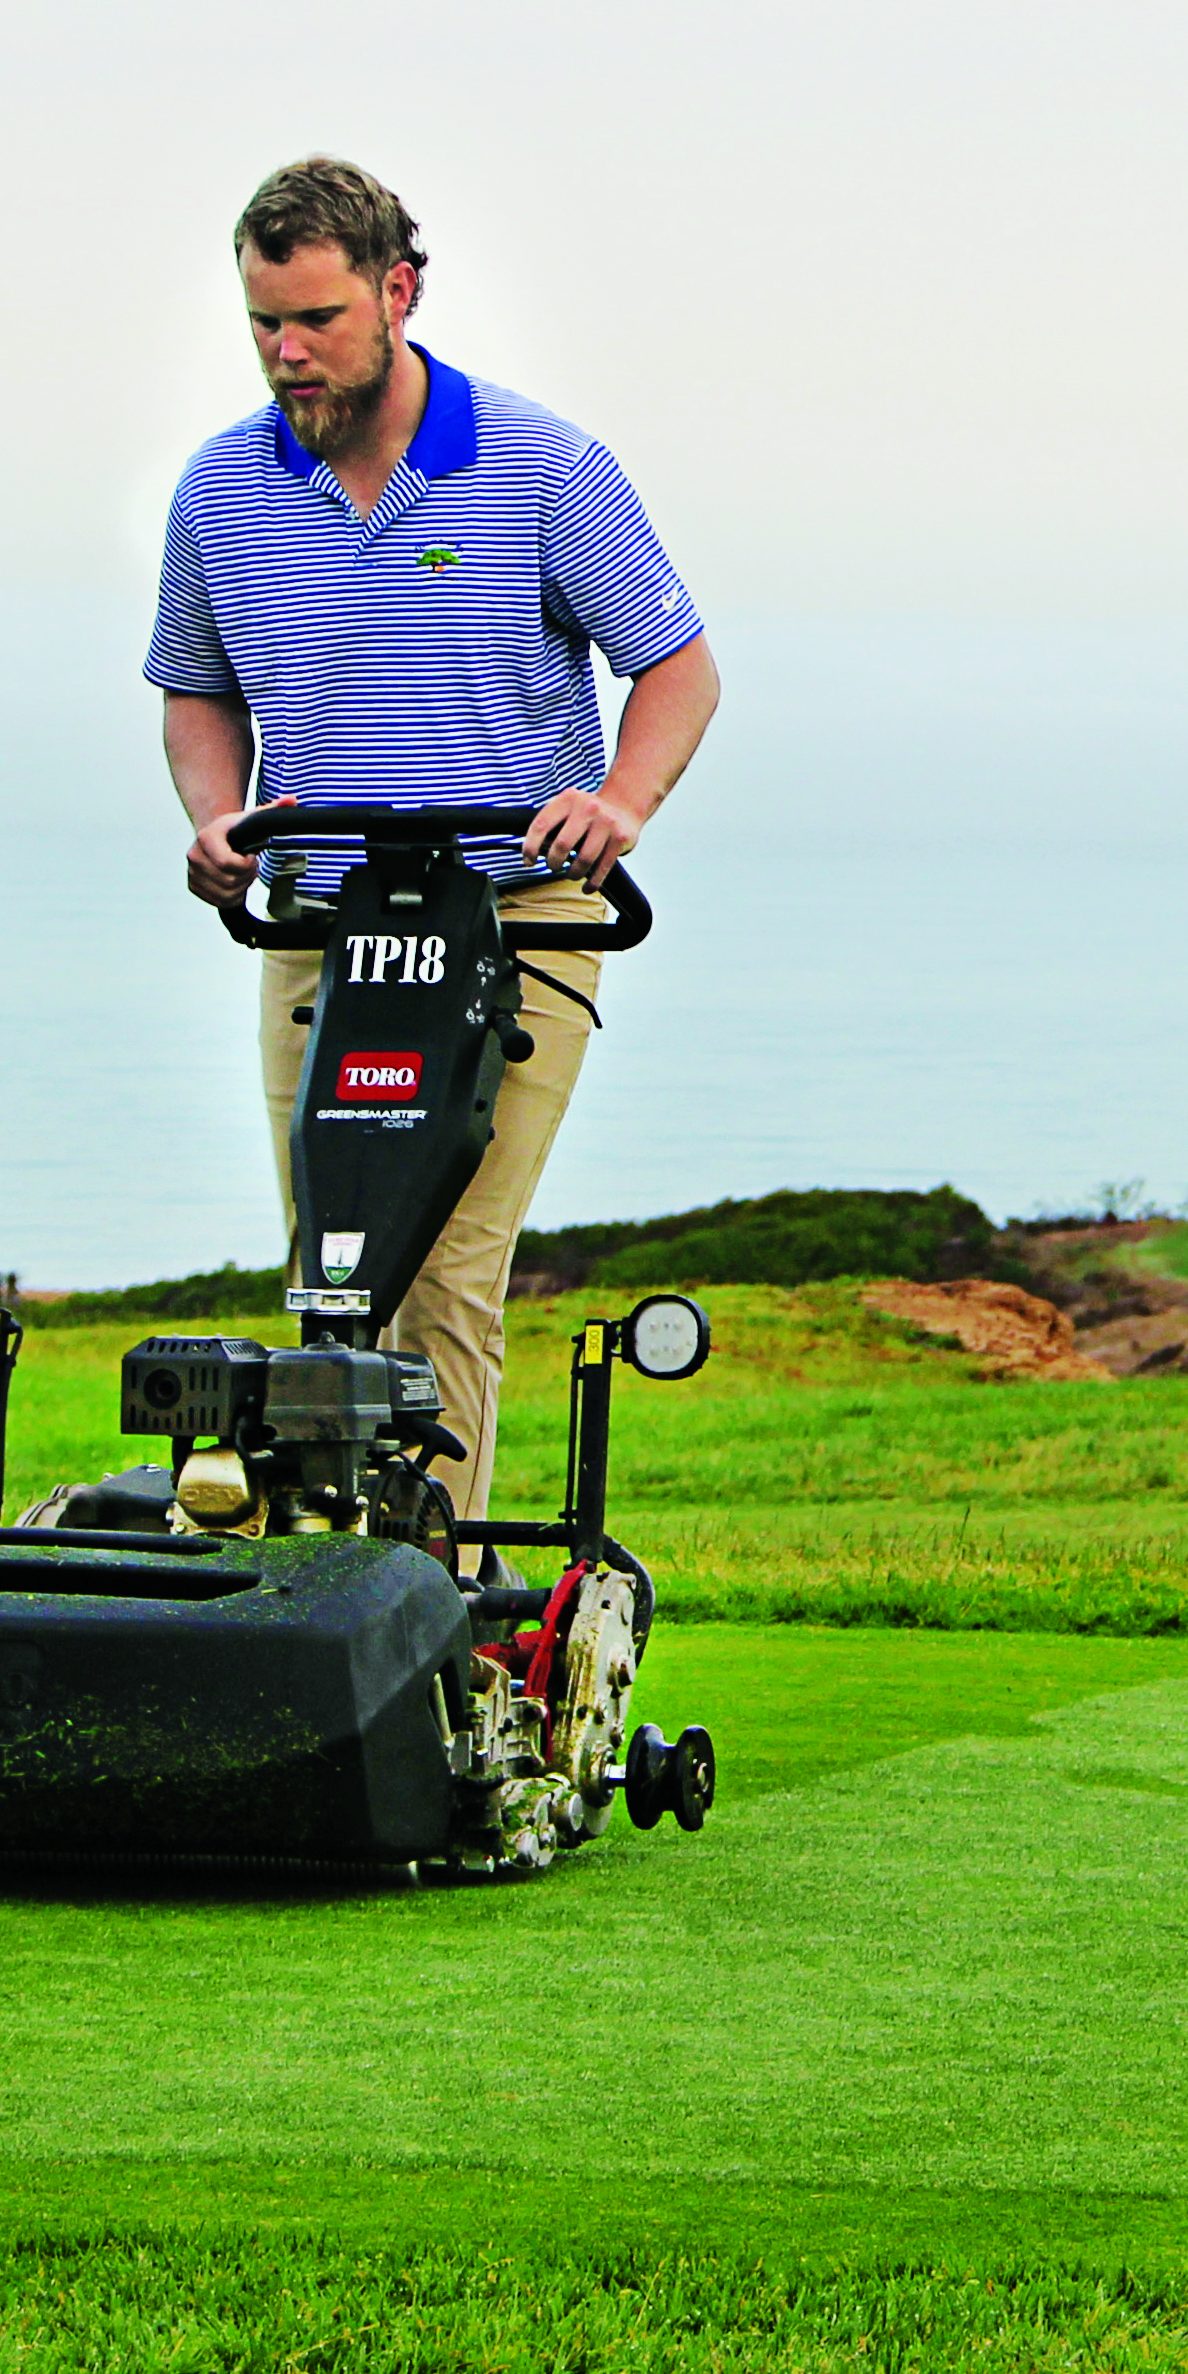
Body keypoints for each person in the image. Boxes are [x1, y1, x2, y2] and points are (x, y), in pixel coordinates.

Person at [148, 158, 723, 1527]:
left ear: (398, 293)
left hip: (511, 920)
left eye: (319, 321)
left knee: (446, 1265)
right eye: (263, 326)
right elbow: (196, 689)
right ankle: (319, 1566)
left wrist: (621, 804)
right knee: (335, 1269)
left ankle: (436, 1604)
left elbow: (679, 668)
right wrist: (212, 819)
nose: (289, 355)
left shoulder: (539, 467)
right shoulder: (220, 488)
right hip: (322, 929)